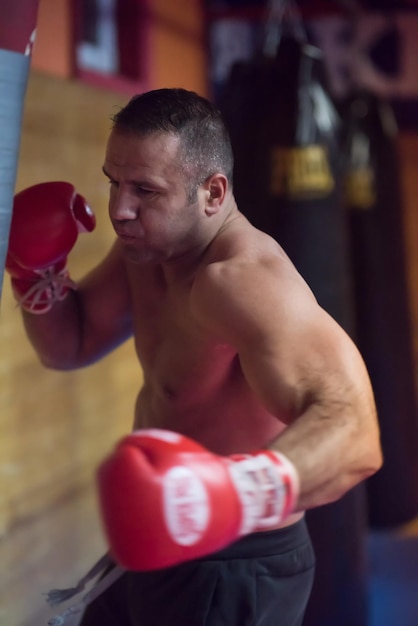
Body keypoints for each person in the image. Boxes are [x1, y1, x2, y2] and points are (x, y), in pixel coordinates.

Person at [6, 88, 382, 626]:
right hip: (153, 538)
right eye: (114, 182)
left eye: (145, 190)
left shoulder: (243, 282)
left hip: (236, 566)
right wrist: (36, 274)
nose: (119, 209)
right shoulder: (146, 251)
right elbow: (70, 343)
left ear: (212, 192)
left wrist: (226, 495)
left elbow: (357, 434)